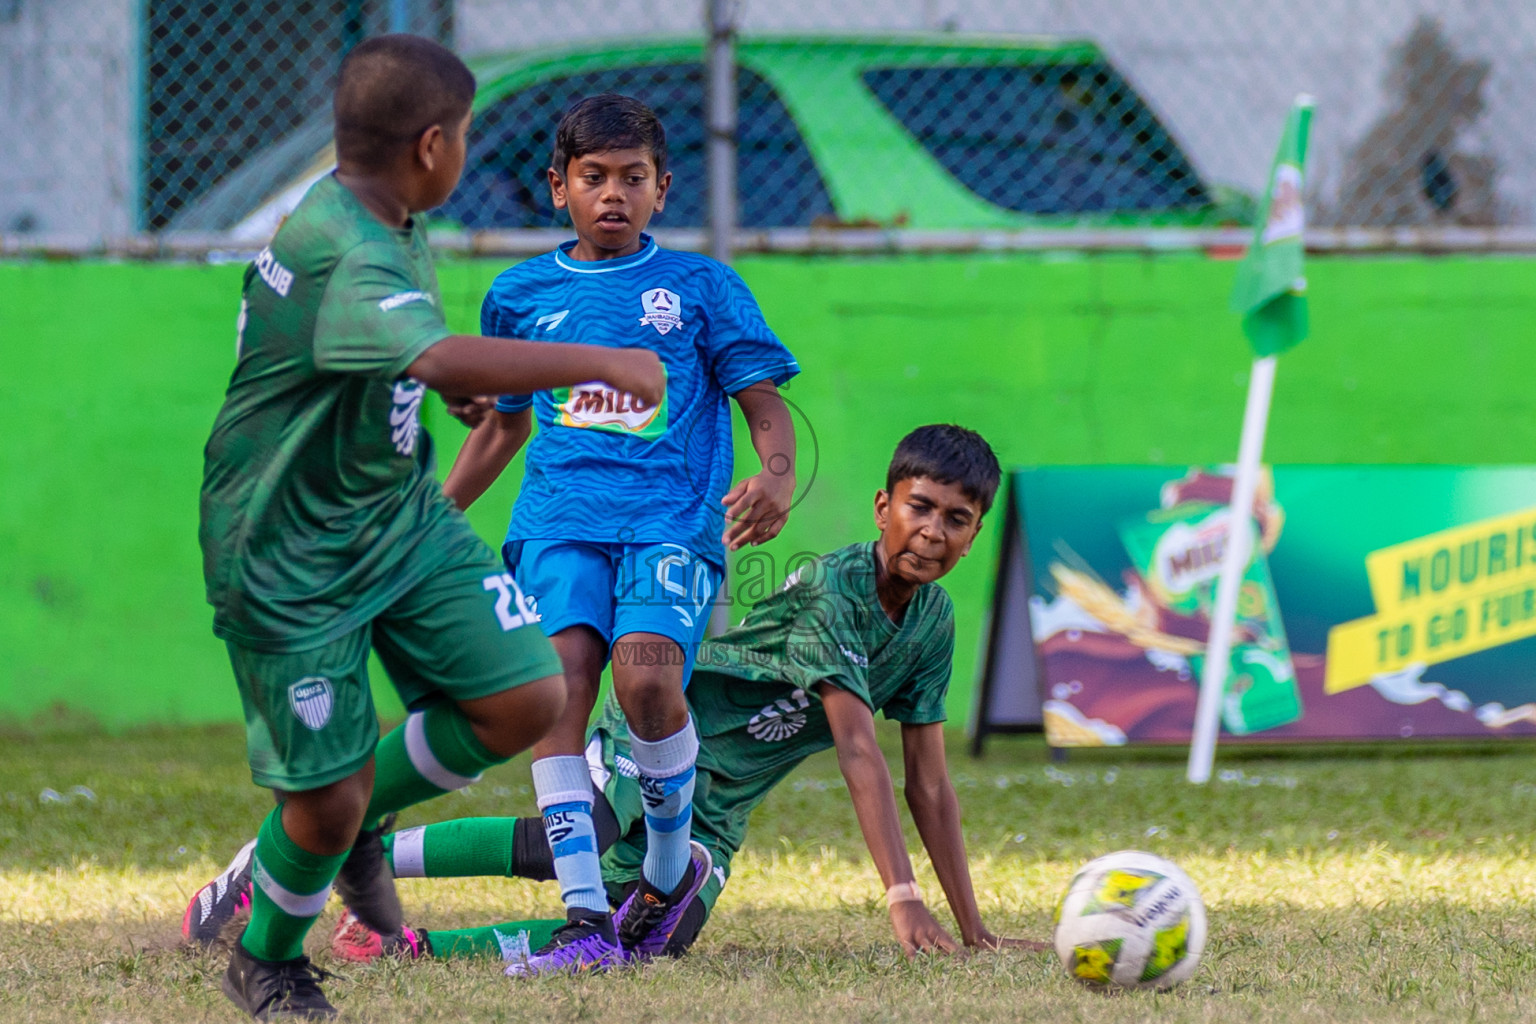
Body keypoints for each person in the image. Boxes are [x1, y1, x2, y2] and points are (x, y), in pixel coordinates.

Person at [196, 36, 662, 1019]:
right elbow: (442, 355)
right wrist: (601, 362)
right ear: (434, 144)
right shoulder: (348, 243)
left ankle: (360, 813)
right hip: (290, 552)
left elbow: (398, 357)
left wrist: (418, 384)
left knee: (525, 694)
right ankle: (268, 957)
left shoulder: (383, 208)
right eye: (468, 138)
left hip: (395, 516)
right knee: (319, 803)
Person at [323, 425, 1044, 964]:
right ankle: (363, 857)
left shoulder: (933, 623)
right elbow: (857, 746)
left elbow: (931, 785)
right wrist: (902, 897)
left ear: (977, 534)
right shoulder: (837, 586)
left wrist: (973, 929)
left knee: (645, 942)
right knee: (578, 837)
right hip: (665, 727)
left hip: (722, 803)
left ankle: (412, 948)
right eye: (921, 507)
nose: (933, 531)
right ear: (884, 506)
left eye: (957, 519)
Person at [439, 92, 800, 974]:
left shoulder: (701, 288)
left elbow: (763, 406)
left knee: (646, 682)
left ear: (662, 189)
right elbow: (505, 425)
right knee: (558, 692)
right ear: (558, 186)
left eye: (632, 179)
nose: (613, 195)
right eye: (593, 178)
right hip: (559, 522)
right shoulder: (519, 296)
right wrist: (436, 514)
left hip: (669, 527)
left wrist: (776, 476)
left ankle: (670, 872)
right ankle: (585, 919)